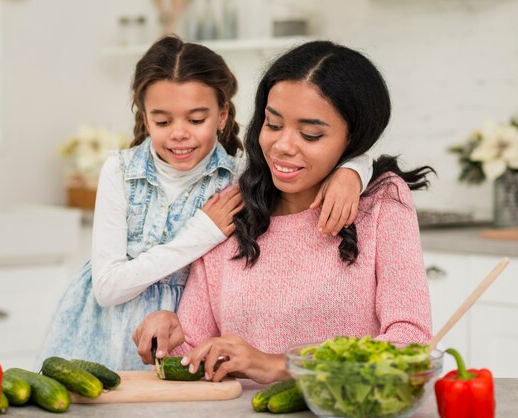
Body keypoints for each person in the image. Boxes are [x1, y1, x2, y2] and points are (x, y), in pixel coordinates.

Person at [37, 36, 374, 371]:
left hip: (184, 336)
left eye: (196, 120)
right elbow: (109, 289)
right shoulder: (120, 171)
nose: (179, 133)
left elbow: (315, 155)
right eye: (163, 121)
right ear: (144, 116)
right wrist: (202, 233)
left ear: (223, 114)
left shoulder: (240, 173)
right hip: (104, 336)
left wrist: (353, 169)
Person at [132, 40, 436, 384]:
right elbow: (195, 352)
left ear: (353, 139)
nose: (282, 146)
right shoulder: (231, 208)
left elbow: (409, 341)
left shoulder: (381, 202)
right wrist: (168, 335)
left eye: (310, 134)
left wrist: (280, 366)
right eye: (273, 125)